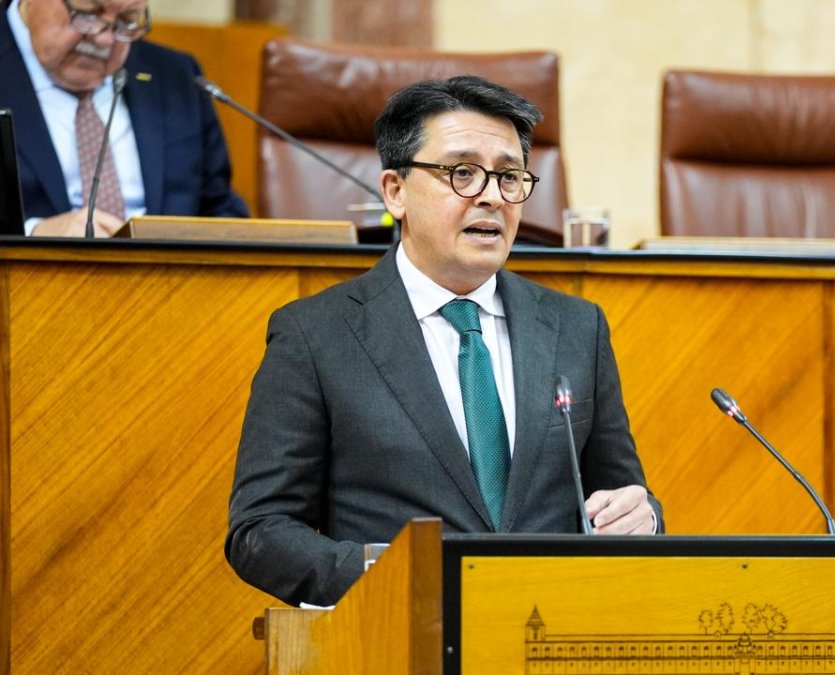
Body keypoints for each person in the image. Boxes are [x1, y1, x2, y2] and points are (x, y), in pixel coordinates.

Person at [226, 75, 662, 607]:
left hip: (546, 628)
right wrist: (392, 579)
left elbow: (622, 496)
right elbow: (261, 530)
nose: (491, 197)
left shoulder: (577, 327)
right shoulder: (316, 335)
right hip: (399, 636)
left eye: (509, 177)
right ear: (395, 191)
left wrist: (644, 517)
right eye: (462, 173)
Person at [0, 0, 248, 237]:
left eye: (126, 20)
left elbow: (221, 210)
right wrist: (32, 233)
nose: (104, 38)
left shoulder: (177, 76)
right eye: (87, 12)